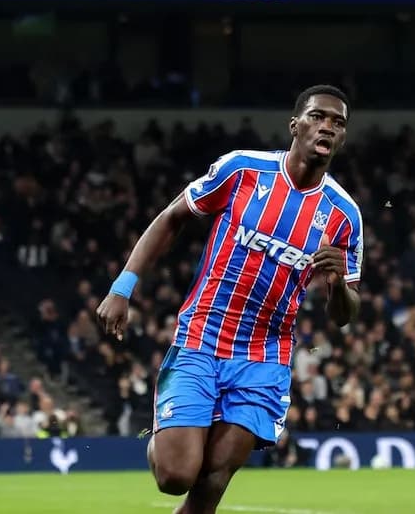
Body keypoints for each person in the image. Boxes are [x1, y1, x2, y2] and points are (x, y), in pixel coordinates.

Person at [97, 85, 362, 514]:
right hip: (202, 338)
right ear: (295, 126)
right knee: (176, 475)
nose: (328, 126)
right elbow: (171, 218)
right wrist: (122, 288)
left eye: (338, 122)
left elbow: (346, 314)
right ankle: (165, 436)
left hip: (264, 357)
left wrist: (337, 285)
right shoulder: (243, 170)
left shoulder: (344, 214)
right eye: (318, 117)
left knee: (212, 481)